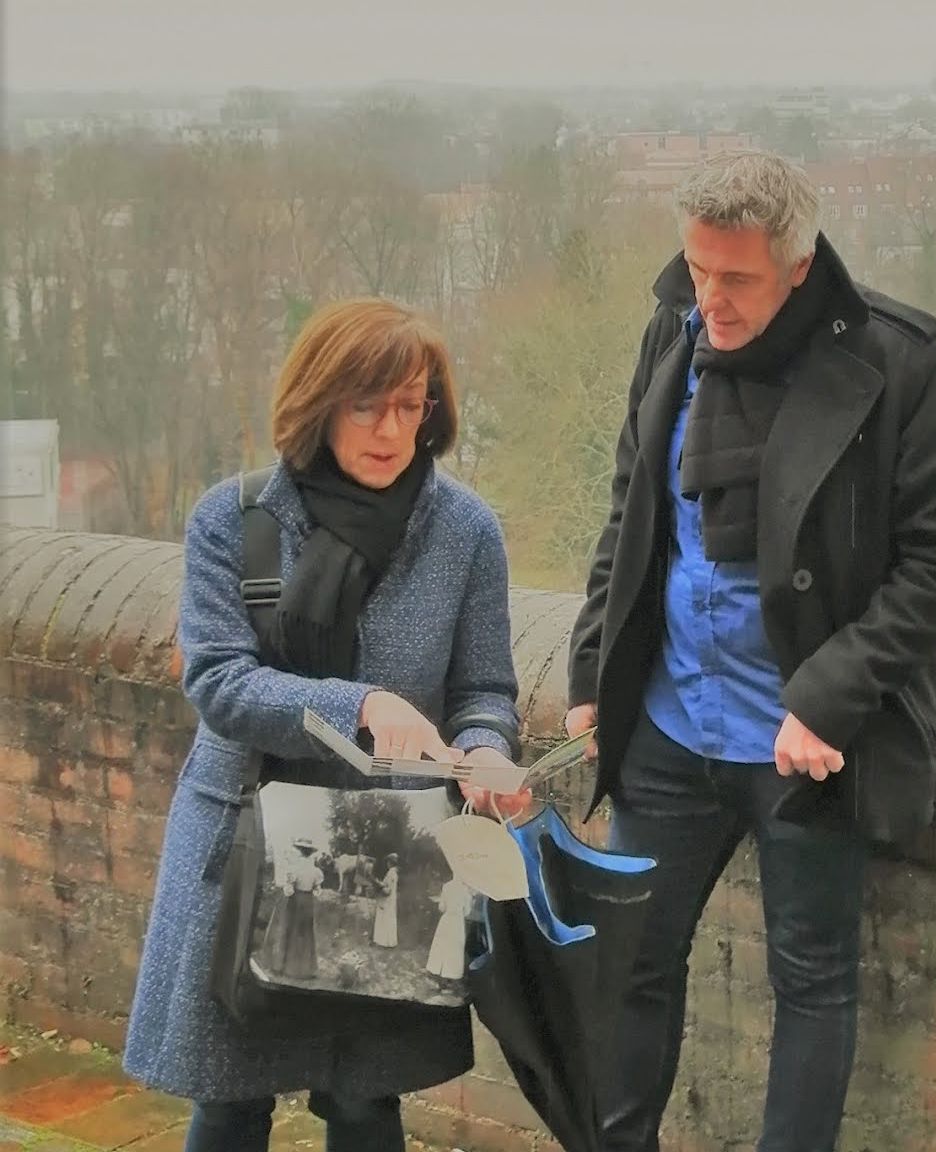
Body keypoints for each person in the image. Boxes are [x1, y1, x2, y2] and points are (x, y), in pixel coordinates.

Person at [566, 150, 936, 1152]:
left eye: (736, 278)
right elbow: (632, 515)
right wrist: (592, 671)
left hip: (804, 746)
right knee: (629, 966)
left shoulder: (900, 361)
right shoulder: (670, 332)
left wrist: (829, 696)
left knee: (810, 986)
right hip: (668, 729)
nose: (708, 297)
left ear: (798, 265)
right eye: (696, 269)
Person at [123, 298, 525, 1152]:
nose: (391, 430)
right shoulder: (233, 520)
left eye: (412, 406)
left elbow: (484, 690)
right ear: (319, 402)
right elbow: (221, 684)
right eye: (366, 405)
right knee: (232, 1100)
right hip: (243, 839)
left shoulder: (466, 533)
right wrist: (362, 705)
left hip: (390, 853)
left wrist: (487, 755)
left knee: (365, 1103)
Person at [261, 839, 324, 981]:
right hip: (308, 901)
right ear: (310, 852)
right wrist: (311, 890)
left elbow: (289, 890)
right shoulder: (316, 871)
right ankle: (306, 969)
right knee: (305, 932)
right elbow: (318, 890)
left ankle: (287, 967)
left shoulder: (294, 868)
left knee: (291, 930)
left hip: (296, 900)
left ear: (299, 850)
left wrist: (288, 889)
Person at [425, 875, 473, 984]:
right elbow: (467, 912)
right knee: (454, 947)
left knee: (442, 945)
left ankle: (436, 969)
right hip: (457, 921)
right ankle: (451, 973)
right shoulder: (466, 890)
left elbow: (442, 907)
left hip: (446, 919)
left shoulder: (446, 886)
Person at [372, 855, 400, 949]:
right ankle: (389, 942)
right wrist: (380, 882)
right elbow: (387, 885)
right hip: (391, 900)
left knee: (384, 919)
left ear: (390, 862)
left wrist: (377, 884)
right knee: (390, 920)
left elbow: (387, 890)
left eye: (388, 862)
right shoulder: (395, 873)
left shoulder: (391, 873)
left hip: (387, 900)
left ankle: (383, 942)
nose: (387, 864)